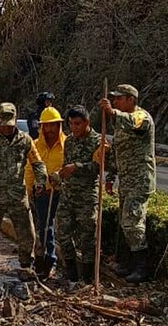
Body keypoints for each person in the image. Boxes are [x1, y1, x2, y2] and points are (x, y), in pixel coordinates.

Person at [0, 103, 46, 278]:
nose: (7, 128)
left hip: (17, 195)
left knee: (27, 231)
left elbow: (37, 163)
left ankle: (26, 264)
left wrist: (41, 181)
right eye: (4, 124)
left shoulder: (25, 140)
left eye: (10, 125)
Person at [99, 84, 156, 283]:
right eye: (114, 99)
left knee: (133, 222)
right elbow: (117, 151)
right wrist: (111, 177)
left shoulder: (141, 117)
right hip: (127, 182)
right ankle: (127, 264)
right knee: (123, 224)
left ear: (131, 99)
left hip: (140, 181)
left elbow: (134, 122)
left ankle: (143, 267)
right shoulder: (120, 124)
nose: (115, 102)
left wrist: (113, 113)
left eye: (119, 99)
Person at [56, 105, 101, 283]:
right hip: (68, 194)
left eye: (77, 124)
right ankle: (72, 274)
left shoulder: (98, 141)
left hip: (87, 196)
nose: (74, 128)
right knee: (63, 233)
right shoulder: (69, 141)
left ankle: (88, 278)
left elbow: (99, 167)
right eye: (71, 124)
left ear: (87, 123)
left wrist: (77, 167)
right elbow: (66, 166)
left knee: (88, 236)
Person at [25, 107, 65, 279]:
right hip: (42, 193)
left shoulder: (68, 144)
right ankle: (47, 260)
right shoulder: (34, 145)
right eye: (46, 126)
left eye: (53, 126)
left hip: (61, 193)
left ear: (59, 126)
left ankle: (58, 260)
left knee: (60, 228)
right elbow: (29, 169)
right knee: (44, 227)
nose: (49, 130)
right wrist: (30, 189)